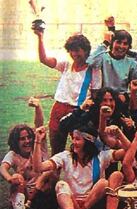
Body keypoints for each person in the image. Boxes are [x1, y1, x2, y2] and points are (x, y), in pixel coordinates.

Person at [32, 125, 126, 209]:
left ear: (88, 142)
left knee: (104, 182)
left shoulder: (101, 157)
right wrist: (37, 141)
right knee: (61, 184)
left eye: (77, 139)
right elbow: (38, 168)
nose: (74, 142)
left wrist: (119, 135)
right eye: (74, 139)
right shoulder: (66, 156)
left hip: (92, 205)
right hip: (71, 204)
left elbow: (128, 151)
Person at [33, 27, 101, 155]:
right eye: (71, 51)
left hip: (78, 111)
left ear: (86, 51)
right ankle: (54, 173)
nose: (74, 54)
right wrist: (40, 37)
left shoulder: (93, 70)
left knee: (81, 150)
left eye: (77, 50)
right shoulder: (66, 65)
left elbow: (95, 95)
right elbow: (44, 60)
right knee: (56, 148)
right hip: (58, 108)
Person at [0, 98, 54, 209]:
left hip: (42, 192)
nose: (27, 141)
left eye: (29, 137)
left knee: (50, 172)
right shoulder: (13, 155)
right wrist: (10, 178)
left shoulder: (39, 147)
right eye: (22, 139)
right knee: (18, 178)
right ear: (15, 142)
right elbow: (3, 167)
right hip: (24, 193)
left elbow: (39, 125)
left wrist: (38, 107)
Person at [86, 24, 137, 105]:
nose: (121, 46)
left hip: (121, 101)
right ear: (112, 43)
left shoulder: (132, 63)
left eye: (125, 44)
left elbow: (136, 85)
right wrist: (105, 43)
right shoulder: (103, 57)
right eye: (118, 42)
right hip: (103, 100)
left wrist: (126, 96)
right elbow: (90, 62)